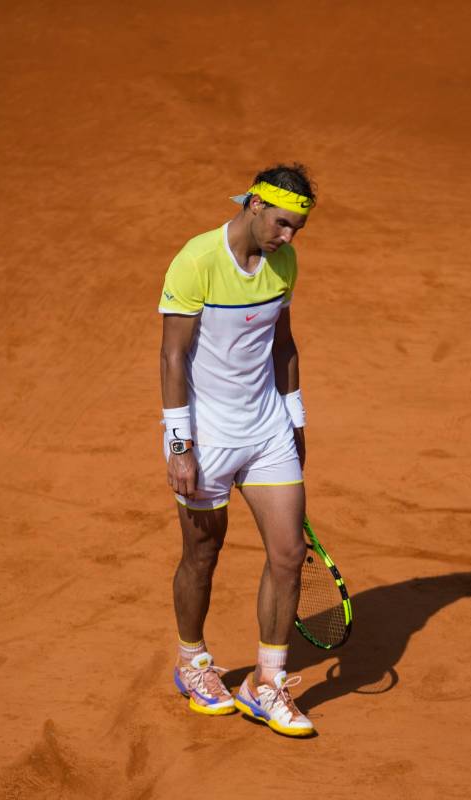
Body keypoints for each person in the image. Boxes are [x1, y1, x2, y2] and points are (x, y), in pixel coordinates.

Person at [158, 164, 317, 737]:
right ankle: (193, 662)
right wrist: (180, 446)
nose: (288, 237)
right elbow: (172, 357)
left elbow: (284, 344)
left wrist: (295, 420)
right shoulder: (197, 260)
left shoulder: (285, 262)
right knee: (203, 552)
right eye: (281, 223)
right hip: (206, 434)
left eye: (298, 228)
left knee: (288, 553)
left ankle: (266, 683)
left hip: (268, 428)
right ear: (253, 205)